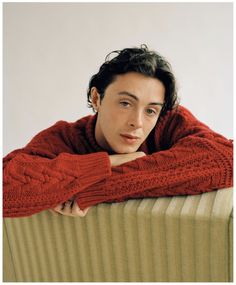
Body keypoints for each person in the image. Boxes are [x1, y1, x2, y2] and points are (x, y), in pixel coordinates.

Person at [3, 45, 233, 218]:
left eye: (151, 110)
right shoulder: (65, 137)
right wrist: (108, 162)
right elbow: (6, 187)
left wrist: (94, 190)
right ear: (96, 98)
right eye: (125, 103)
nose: (137, 122)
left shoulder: (170, 122)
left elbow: (226, 159)